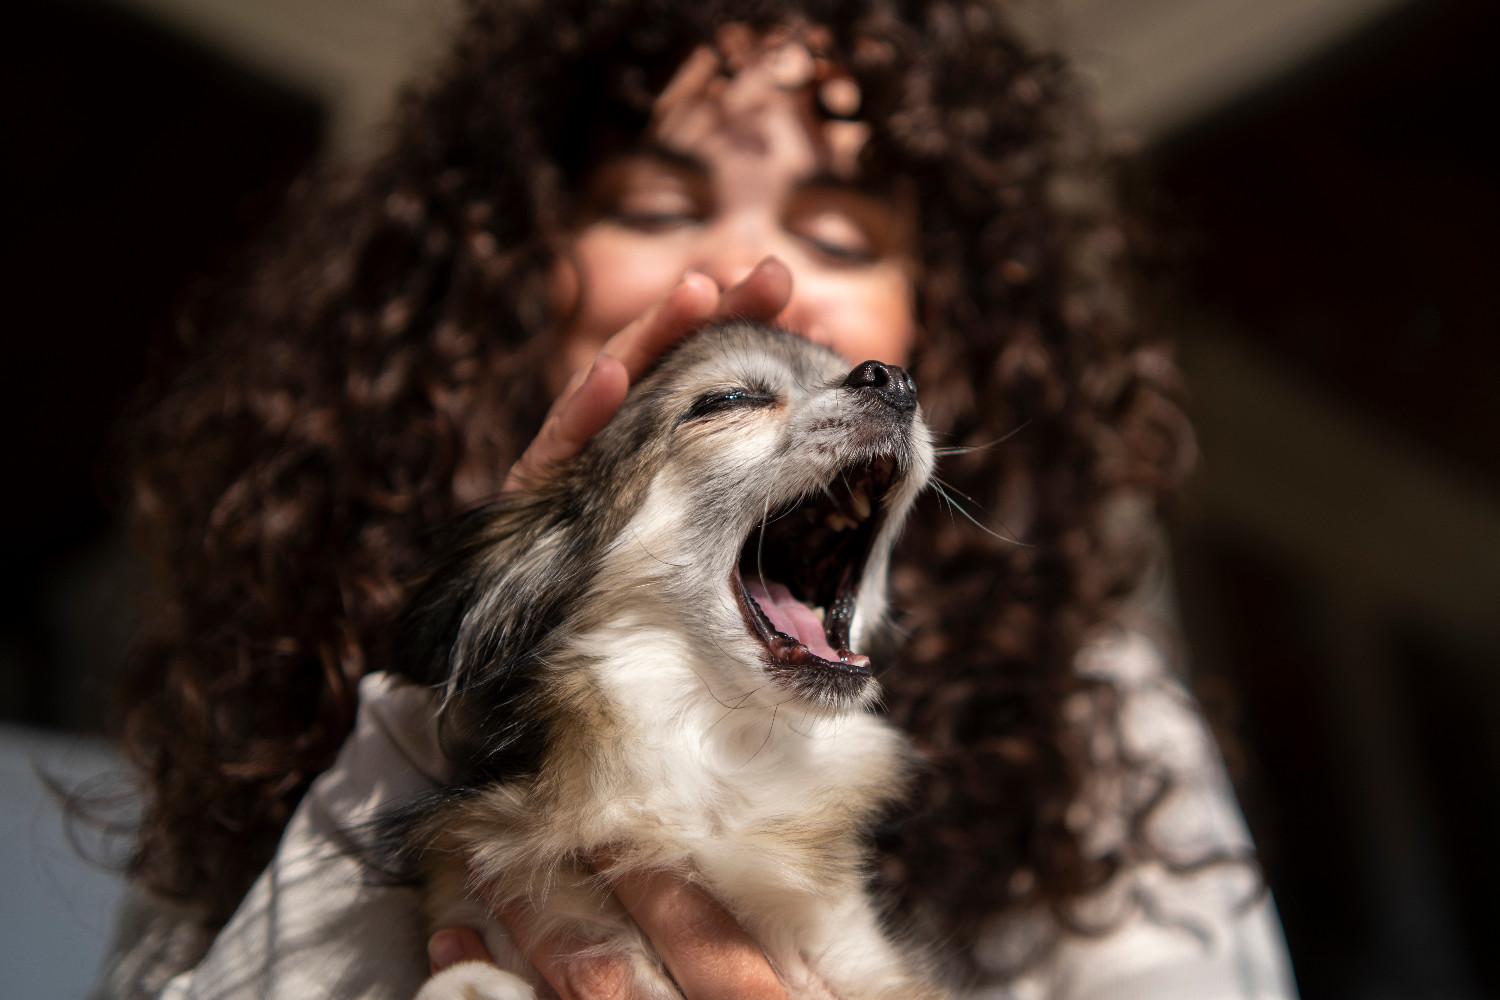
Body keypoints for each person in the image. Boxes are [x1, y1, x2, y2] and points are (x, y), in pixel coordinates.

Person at [96, 1, 1298, 997]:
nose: (750, 275)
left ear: (935, 318)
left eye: (841, 233)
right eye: (658, 208)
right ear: (521, 274)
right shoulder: (304, 712)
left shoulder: (1098, 722)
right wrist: (422, 719)